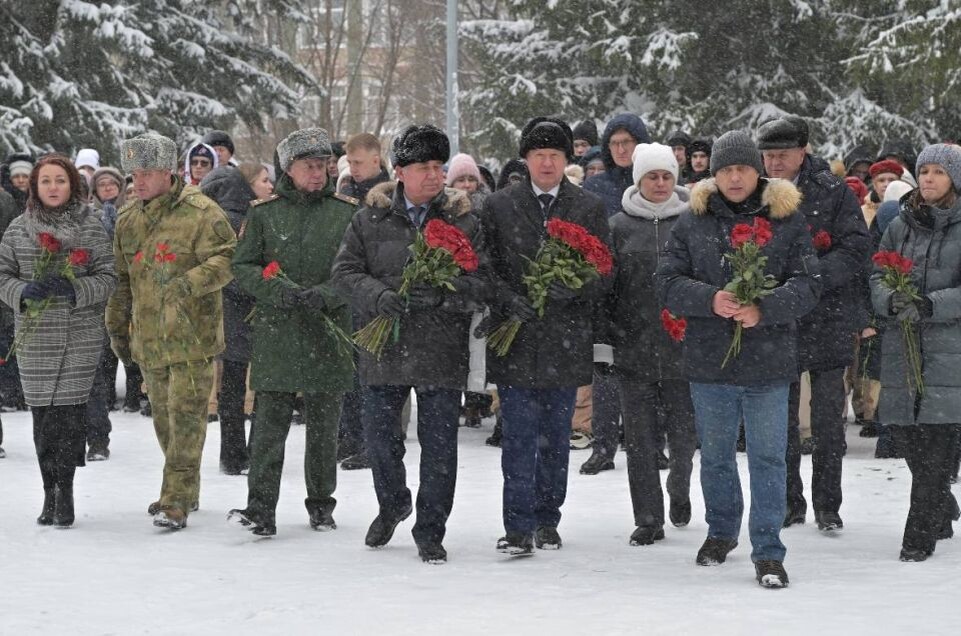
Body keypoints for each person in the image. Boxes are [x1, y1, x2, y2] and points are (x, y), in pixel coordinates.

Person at [657, 131, 820, 588]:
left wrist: (764, 308)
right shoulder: (692, 221)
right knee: (716, 457)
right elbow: (667, 281)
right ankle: (721, 531)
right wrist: (711, 299)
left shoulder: (786, 220)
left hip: (769, 363)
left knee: (769, 457)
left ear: (758, 172)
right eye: (725, 169)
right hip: (711, 363)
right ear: (714, 174)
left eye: (742, 169)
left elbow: (809, 284)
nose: (734, 177)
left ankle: (768, 548)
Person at [332, 124, 488, 564]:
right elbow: (344, 274)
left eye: (439, 167)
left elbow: (482, 282)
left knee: (439, 446)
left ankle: (430, 527)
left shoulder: (463, 219)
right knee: (380, 440)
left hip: (441, 347)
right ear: (399, 171)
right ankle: (393, 502)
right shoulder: (370, 218)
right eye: (424, 167)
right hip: (385, 347)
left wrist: (444, 292)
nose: (435, 176)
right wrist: (380, 296)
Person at [482, 116, 610, 555]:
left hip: (565, 337)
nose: (547, 163)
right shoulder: (499, 206)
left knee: (555, 437)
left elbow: (604, 271)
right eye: (539, 155)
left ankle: (547, 519)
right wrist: (506, 299)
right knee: (518, 435)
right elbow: (486, 267)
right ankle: (517, 525)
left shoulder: (588, 207)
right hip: (515, 337)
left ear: (567, 158)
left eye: (555, 155)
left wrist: (575, 287)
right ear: (525, 160)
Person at [227, 128, 356, 536]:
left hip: (327, 328)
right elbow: (243, 266)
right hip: (277, 330)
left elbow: (356, 269)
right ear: (289, 168)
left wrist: (327, 295)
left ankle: (321, 503)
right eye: (309, 167)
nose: (318, 174)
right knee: (268, 424)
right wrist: (276, 292)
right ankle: (260, 507)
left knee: (324, 426)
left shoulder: (346, 212)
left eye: (322, 166)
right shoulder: (264, 213)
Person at [106, 133, 236, 530]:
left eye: (147, 173)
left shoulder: (200, 211)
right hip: (149, 338)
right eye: (133, 175)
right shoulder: (128, 220)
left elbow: (229, 256)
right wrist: (117, 327)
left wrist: (188, 283)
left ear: (168, 173)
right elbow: (121, 280)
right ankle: (185, 488)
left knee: (188, 417)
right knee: (164, 419)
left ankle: (175, 498)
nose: (138, 182)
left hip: (191, 336)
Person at [757, 118, 870, 532]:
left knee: (826, 420)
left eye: (782, 155)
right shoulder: (757, 192)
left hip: (828, 315)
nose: (774, 162)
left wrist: (815, 278)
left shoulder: (833, 191)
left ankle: (828, 504)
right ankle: (790, 501)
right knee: (779, 420)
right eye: (768, 155)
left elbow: (857, 246)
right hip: (777, 320)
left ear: (803, 151)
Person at [0, 154, 116, 527]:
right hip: (35, 336)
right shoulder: (18, 228)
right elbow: (2, 276)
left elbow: (108, 276)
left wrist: (74, 287)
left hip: (78, 332)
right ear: (35, 186)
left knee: (67, 415)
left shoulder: (91, 225)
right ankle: (48, 488)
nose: (53, 187)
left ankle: (64, 492)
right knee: (42, 416)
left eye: (60, 181)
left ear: (73, 185)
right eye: (45, 181)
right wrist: (23, 290)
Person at [870, 144, 961, 561]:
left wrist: (932, 304)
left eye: (938, 172)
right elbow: (876, 271)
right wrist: (889, 298)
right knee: (907, 435)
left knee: (938, 441)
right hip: (902, 346)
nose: (928, 179)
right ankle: (940, 503)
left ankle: (917, 538)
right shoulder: (899, 224)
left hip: (949, 350)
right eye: (924, 171)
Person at [605, 143, 696, 544]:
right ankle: (648, 516)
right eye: (652, 176)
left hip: (685, 347)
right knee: (639, 439)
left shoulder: (693, 221)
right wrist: (606, 341)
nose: (660, 183)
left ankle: (679, 487)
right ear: (638, 179)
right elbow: (608, 290)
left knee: (684, 434)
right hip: (633, 346)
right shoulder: (618, 226)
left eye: (666, 176)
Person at [199, 164, 265, 475]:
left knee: (232, 387)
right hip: (246, 315)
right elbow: (238, 272)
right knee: (251, 387)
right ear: (246, 186)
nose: (269, 186)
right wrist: (265, 287)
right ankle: (245, 453)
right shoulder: (240, 221)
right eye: (264, 181)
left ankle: (232, 452)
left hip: (227, 317)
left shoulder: (215, 218)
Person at [341, 133, 390, 202]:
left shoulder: (395, 195)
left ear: (375, 161)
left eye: (357, 163)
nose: (352, 169)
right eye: (349, 162)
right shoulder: (344, 194)